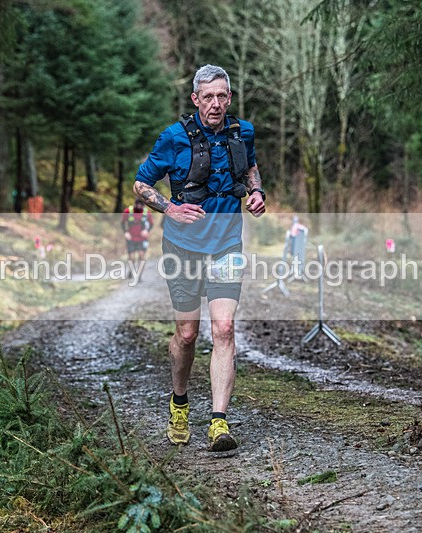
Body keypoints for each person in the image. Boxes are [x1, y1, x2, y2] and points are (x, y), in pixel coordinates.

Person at [133, 64, 266, 452]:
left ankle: (219, 423)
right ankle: (179, 402)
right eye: (208, 96)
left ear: (229, 97)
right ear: (195, 99)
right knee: (187, 335)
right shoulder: (173, 138)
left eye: (222, 95)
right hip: (183, 247)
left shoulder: (243, 132)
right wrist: (169, 208)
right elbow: (142, 182)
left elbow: (251, 167)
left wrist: (256, 192)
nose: (216, 103)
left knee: (223, 328)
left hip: (226, 245)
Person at [121, 198, 154, 281]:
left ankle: (139, 276)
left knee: (141, 255)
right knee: (131, 257)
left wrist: (147, 231)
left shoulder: (147, 213)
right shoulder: (128, 211)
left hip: (142, 238)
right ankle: (131, 271)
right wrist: (125, 232)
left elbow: (151, 224)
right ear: (135, 203)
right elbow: (122, 223)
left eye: (141, 204)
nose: (139, 206)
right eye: (137, 204)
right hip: (131, 237)